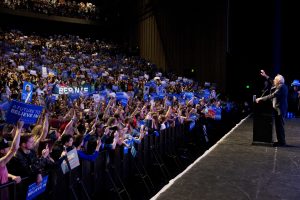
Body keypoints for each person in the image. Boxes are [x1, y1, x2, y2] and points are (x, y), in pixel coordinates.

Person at [256, 70, 288, 147]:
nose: (273, 81)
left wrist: (261, 98)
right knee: (278, 126)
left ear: (278, 81)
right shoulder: (280, 85)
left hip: (280, 110)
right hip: (278, 109)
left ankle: (282, 142)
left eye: (275, 80)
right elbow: (271, 81)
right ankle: (280, 141)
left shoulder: (281, 87)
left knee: (280, 126)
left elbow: (273, 95)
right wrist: (265, 75)